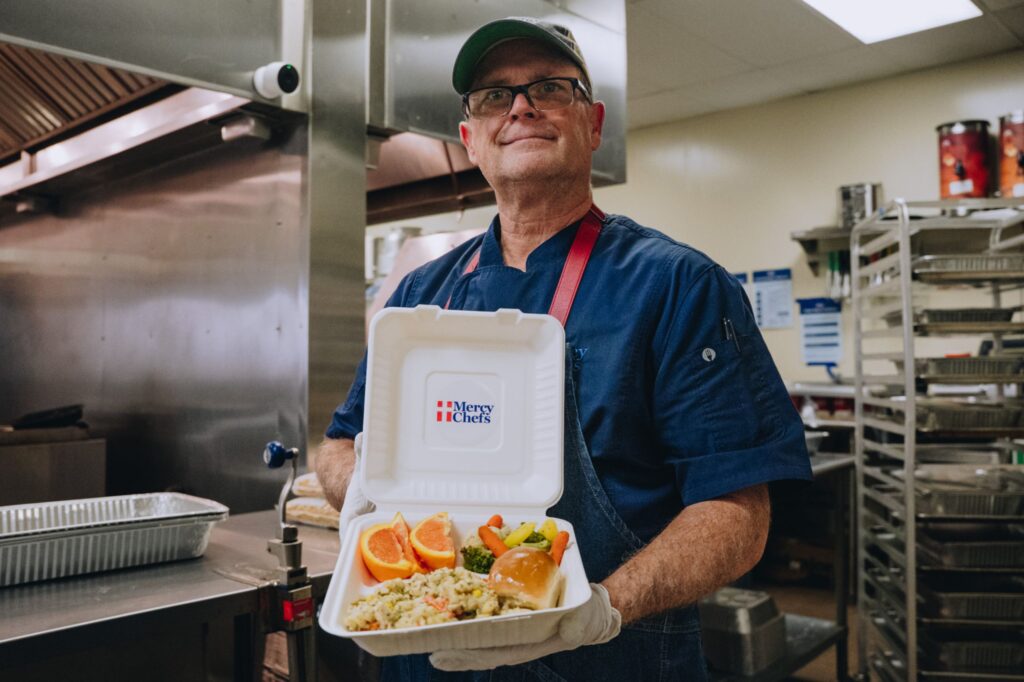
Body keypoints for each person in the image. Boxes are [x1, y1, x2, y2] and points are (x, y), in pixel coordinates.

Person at [316, 16, 812, 681]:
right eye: (495, 95)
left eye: (549, 88)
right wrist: (370, 495)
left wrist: (602, 606)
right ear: (470, 139)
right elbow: (340, 445)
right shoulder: (416, 295)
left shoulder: (678, 286)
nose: (520, 107)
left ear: (593, 123)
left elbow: (738, 517)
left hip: (611, 656)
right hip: (428, 652)